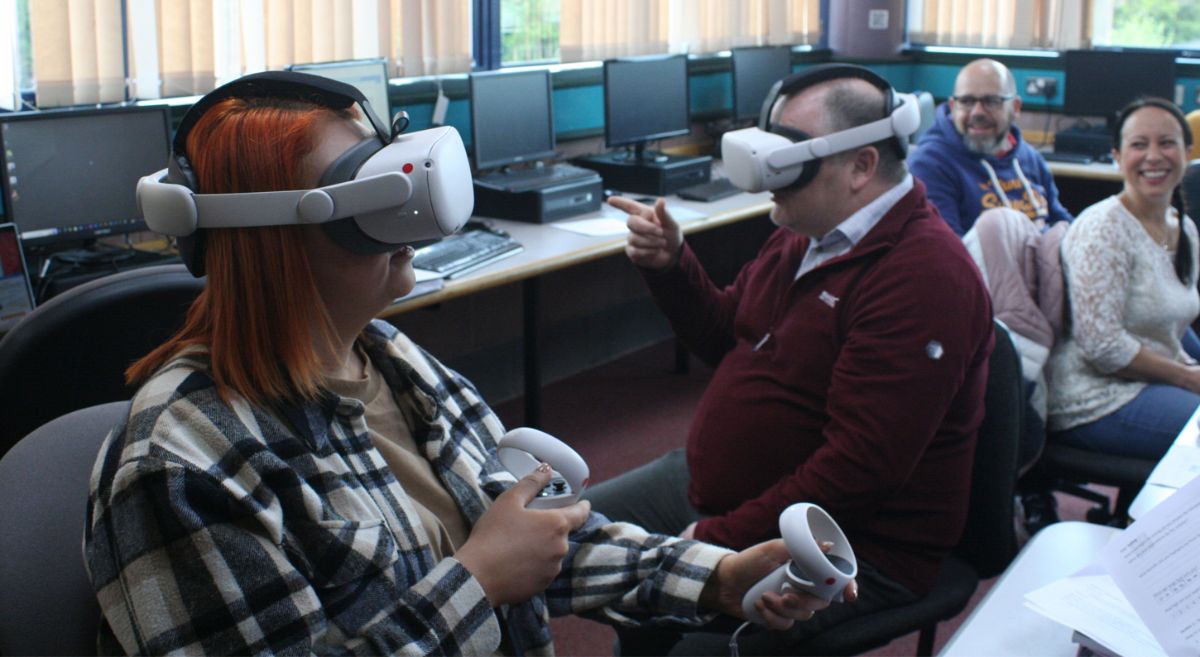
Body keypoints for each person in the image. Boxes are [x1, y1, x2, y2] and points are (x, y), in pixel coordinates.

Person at [83, 72, 845, 656]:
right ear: (273, 236)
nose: (415, 210)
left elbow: (531, 542)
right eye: (371, 191)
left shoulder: (391, 358)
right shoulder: (180, 468)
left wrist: (718, 576)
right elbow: (498, 562)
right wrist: (478, 582)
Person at [589, 64, 994, 655]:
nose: (768, 172)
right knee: (563, 535)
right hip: (718, 489)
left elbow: (859, 472)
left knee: (688, 643)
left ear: (862, 166)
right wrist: (672, 265)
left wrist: (707, 542)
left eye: (790, 153)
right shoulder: (806, 225)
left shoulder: (924, 277)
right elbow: (730, 335)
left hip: (848, 543)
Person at [1046, 96, 1200, 460]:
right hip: (1097, 395)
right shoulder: (1104, 230)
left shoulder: (1184, 228)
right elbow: (1102, 346)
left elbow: (1176, 324)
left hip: (1151, 381)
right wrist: (1187, 377)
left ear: (1187, 152)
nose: (1154, 156)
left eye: (1166, 143)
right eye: (1138, 145)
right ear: (1117, 156)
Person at [908, 58, 1072, 235]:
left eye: (992, 101)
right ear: (953, 106)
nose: (977, 111)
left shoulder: (1030, 158)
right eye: (967, 101)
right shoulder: (930, 164)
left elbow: (1060, 220)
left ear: (1015, 107)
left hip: (1043, 257)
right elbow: (947, 250)